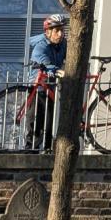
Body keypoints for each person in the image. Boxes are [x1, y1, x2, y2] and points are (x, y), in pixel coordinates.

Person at [26, 13, 67, 151]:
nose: (60, 34)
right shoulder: (40, 46)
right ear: (48, 32)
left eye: (62, 30)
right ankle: (30, 148)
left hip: (51, 85)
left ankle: (47, 147)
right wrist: (56, 70)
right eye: (57, 31)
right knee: (36, 117)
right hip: (38, 85)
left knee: (50, 118)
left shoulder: (63, 44)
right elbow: (44, 62)